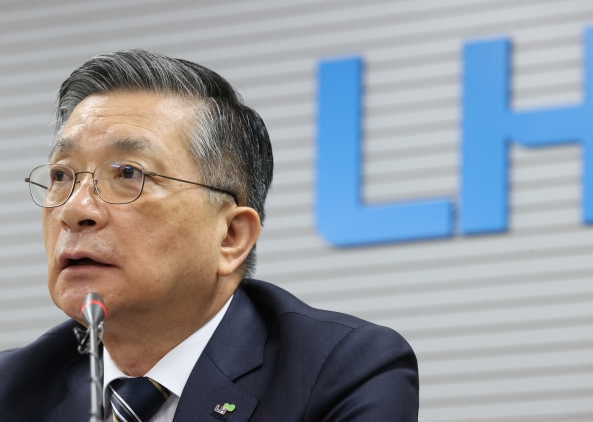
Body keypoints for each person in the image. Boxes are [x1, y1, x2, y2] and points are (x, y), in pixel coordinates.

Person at [0, 49, 419, 421]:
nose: (75, 210)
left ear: (231, 236)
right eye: (61, 176)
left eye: (128, 174)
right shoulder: (12, 388)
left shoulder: (340, 372)